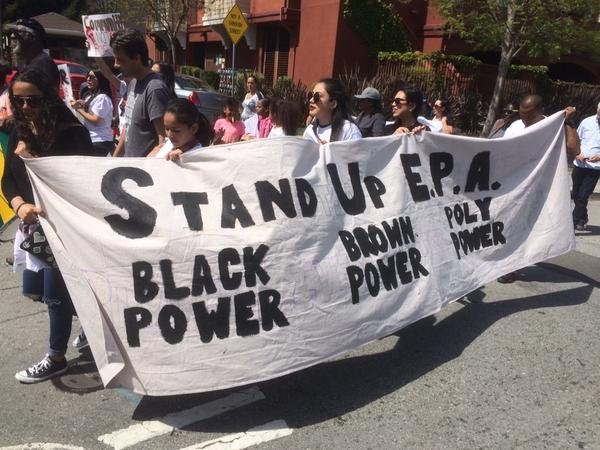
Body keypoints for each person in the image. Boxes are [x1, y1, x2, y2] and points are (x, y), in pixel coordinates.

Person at [1, 69, 94, 383]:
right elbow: (8, 180)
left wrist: (34, 159)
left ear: (49, 98)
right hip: (31, 226)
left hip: (63, 227)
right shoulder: (18, 130)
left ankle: (56, 357)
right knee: (36, 290)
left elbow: (81, 182)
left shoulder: (72, 133)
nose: (25, 107)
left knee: (55, 294)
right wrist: (20, 205)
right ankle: (99, 328)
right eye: (19, 100)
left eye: (33, 100)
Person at [497, 94, 579, 283]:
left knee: (529, 229)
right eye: (522, 114)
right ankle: (507, 266)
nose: (524, 119)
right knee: (510, 227)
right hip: (516, 187)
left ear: (541, 111)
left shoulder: (555, 126)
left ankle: (514, 264)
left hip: (543, 189)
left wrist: (568, 123)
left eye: (529, 115)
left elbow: (574, 149)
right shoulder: (516, 126)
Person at [110, 28, 173, 157]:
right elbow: (127, 128)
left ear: (137, 58)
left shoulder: (155, 89)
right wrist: (114, 160)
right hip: (129, 169)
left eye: (120, 59)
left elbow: (164, 141)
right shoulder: (133, 83)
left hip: (144, 173)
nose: (115, 64)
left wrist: (145, 165)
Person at [70, 70, 115, 156]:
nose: (88, 79)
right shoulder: (92, 96)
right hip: (92, 139)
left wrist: (79, 109)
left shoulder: (103, 98)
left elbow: (96, 120)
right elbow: (89, 106)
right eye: (87, 76)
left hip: (100, 140)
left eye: (92, 77)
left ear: (100, 80)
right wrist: (81, 103)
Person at [303, 78, 362, 144]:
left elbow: (358, 154)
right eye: (311, 95)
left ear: (333, 104)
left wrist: (331, 150)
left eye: (317, 96)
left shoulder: (349, 130)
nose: (311, 100)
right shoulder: (309, 131)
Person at [9, 18, 59, 92]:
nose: (12, 36)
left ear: (32, 37)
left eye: (19, 32)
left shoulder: (43, 64)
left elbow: (47, 99)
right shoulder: (31, 63)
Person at [571, 102, 600, 231]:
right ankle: (583, 218)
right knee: (576, 195)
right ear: (597, 110)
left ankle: (572, 222)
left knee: (583, 196)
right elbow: (577, 139)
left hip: (594, 168)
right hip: (580, 164)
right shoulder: (587, 122)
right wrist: (578, 153)